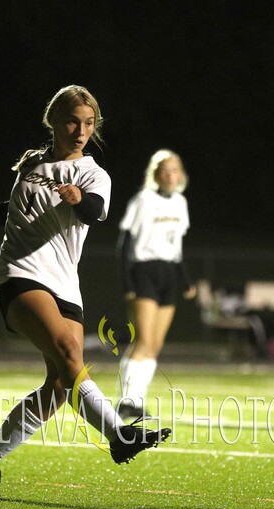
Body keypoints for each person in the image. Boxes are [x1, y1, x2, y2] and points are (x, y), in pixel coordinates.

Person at [0, 86, 170, 499]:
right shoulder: (33, 164)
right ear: (54, 121)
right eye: (73, 121)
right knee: (68, 352)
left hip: (64, 283)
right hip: (19, 274)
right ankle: (118, 435)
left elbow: (94, 211)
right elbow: (15, 209)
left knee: (59, 386)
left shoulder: (94, 174)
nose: (81, 130)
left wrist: (78, 199)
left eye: (89, 123)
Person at [116, 149, 195, 419]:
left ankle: (137, 402)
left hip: (168, 274)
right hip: (144, 271)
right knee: (143, 339)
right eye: (165, 170)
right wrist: (127, 281)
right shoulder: (144, 200)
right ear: (156, 174)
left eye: (175, 170)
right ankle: (126, 400)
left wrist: (186, 281)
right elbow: (125, 241)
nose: (171, 175)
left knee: (155, 345)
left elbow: (176, 248)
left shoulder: (180, 203)